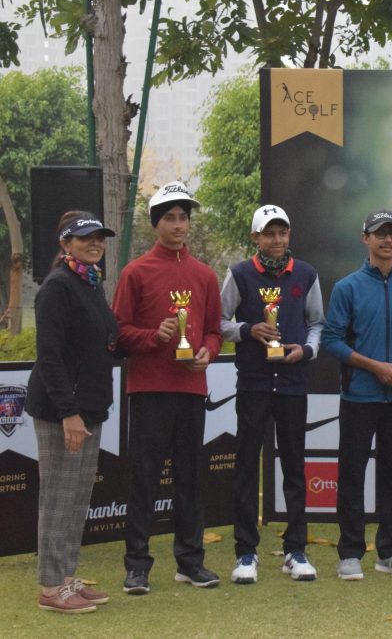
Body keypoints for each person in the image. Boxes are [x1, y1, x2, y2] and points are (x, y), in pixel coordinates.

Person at [112, 181, 223, 594]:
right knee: (143, 478)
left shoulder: (205, 274)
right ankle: (137, 566)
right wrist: (152, 337)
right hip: (148, 389)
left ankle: (190, 562)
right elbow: (119, 333)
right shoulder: (135, 272)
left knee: (191, 478)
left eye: (184, 218)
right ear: (156, 224)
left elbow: (213, 331)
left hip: (191, 389)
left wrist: (208, 353)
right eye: (171, 218)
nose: (179, 225)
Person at [220, 205, 324, 584]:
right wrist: (248, 330)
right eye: (269, 233)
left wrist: (307, 351)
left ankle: (296, 550)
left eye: (282, 232)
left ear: (289, 235)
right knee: (247, 468)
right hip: (253, 384)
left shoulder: (307, 274)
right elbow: (219, 323)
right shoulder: (240, 274)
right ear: (256, 238)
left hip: (293, 385)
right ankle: (245, 552)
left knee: (295, 468)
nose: (277, 240)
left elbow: (317, 324)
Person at [322, 209, 392, 581]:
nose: (387, 240)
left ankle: (390, 552)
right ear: (365, 238)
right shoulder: (347, 287)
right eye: (379, 233)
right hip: (359, 396)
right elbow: (331, 341)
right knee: (352, 476)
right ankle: (350, 553)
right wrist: (375, 367)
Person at [27, 212, 118, 613]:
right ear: (65, 244)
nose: (95, 243)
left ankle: (66, 578)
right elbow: (50, 356)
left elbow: (104, 341)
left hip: (90, 407)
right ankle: (50, 588)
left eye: (99, 237)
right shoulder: (57, 287)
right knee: (58, 497)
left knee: (77, 497)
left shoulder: (90, 282)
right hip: (61, 410)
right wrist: (69, 412)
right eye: (85, 238)